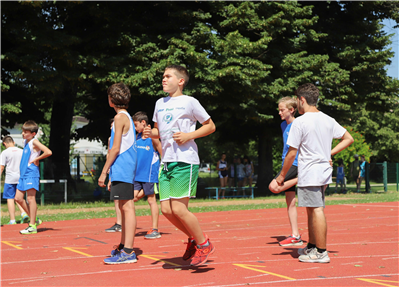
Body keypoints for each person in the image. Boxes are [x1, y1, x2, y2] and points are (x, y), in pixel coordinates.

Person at [143, 64, 216, 266]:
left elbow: (210, 125)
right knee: (166, 210)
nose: (163, 79)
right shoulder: (159, 103)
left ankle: (204, 244)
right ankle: (194, 238)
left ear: (180, 81)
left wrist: (188, 136)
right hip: (166, 162)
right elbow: (160, 132)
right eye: (163, 76)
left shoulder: (190, 102)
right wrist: (151, 133)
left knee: (179, 209)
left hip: (184, 160)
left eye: (168, 76)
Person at [276, 83, 354, 263]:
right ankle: (312, 245)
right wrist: (330, 153)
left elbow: (292, 152)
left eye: (297, 100)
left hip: (311, 171)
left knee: (316, 209)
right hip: (323, 171)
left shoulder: (300, 122)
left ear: (302, 100)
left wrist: (281, 176)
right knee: (312, 209)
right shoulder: (327, 119)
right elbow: (348, 138)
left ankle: (321, 252)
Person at [98, 83, 138, 264]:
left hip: (123, 165)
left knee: (127, 207)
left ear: (110, 100)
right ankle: (123, 246)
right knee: (123, 207)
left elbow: (114, 149)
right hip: (122, 166)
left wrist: (104, 172)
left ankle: (129, 251)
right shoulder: (124, 117)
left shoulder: (120, 118)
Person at [269, 96, 302, 247]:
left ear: (292, 110)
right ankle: (295, 235)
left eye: (282, 110)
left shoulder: (299, 125)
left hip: (295, 164)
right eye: (279, 110)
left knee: (274, 187)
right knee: (290, 201)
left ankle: (302, 178)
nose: (279, 113)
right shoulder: (283, 125)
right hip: (286, 164)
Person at [14, 121, 52, 234]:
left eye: (26, 132)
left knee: (30, 199)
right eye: (23, 131)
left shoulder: (34, 142)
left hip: (31, 173)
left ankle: (32, 226)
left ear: (33, 133)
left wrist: (36, 159)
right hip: (23, 174)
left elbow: (48, 151)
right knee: (18, 198)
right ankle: (34, 219)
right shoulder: (26, 142)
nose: (23, 134)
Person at [133, 111, 162, 239]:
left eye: (136, 125)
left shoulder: (152, 138)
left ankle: (154, 228)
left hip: (149, 174)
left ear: (143, 123)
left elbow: (162, 152)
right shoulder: (137, 137)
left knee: (151, 200)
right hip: (137, 175)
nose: (134, 128)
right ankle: (130, 226)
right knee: (131, 198)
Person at [0, 136, 27, 225]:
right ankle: (23, 213)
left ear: (4, 143)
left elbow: (1, 167)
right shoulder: (21, 151)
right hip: (21, 177)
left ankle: (12, 220)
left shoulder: (4, 152)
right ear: (13, 142)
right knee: (19, 198)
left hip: (10, 178)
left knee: (10, 198)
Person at [105, 119, 122, 233]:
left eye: (113, 126)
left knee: (122, 198)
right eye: (111, 126)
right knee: (116, 198)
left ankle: (121, 223)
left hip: (120, 168)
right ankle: (119, 222)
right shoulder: (110, 139)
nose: (111, 128)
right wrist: (108, 167)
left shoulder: (121, 138)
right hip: (112, 168)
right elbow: (109, 153)